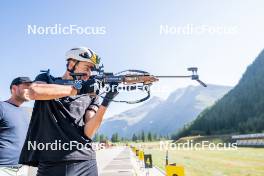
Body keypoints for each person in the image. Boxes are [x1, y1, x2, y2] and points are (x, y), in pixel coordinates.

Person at [19, 47, 118, 176]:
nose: (89, 73)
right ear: (71, 64)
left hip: (85, 160)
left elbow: (89, 132)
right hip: (52, 160)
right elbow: (33, 92)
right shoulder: (47, 79)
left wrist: (106, 102)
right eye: (87, 67)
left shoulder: (91, 93)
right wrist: (76, 89)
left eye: (92, 69)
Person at [0, 77, 32, 176]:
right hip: (3, 168)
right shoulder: (2, 107)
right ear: (14, 88)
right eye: (26, 87)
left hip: (23, 167)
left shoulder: (25, 112)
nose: (30, 90)